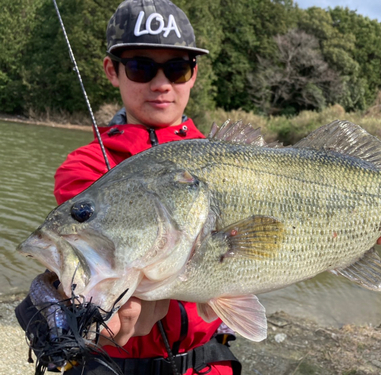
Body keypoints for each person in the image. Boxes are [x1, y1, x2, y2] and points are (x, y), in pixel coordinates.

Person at [16, 1, 241, 374]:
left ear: (193, 74)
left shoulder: (230, 160)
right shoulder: (84, 167)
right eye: (141, 67)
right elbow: (96, 258)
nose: (161, 83)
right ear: (112, 70)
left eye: (177, 67)